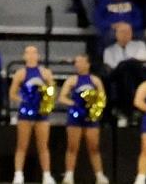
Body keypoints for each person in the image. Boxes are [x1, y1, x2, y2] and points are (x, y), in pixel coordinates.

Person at [8, 45, 56, 184]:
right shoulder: (20, 73)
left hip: (41, 113)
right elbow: (12, 94)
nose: (31, 55)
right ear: (24, 56)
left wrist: (46, 101)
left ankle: (46, 175)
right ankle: (18, 174)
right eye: (28, 52)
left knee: (43, 145)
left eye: (34, 52)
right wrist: (24, 100)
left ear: (38, 56)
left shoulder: (46, 73)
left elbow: (52, 91)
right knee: (22, 145)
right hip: (25, 113)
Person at [58, 54, 108, 184]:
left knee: (94, 147)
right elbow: (62, 97)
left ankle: (99, 175)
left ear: (87, 64)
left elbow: (102, 98)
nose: (77, 64)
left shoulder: (95, 80)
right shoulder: (72, 80)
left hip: (90, 117)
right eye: (76, 62)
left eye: (81, 62)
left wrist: (94, 108)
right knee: (72, 146)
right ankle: (69, 175)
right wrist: (74, 104)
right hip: (75, 116)